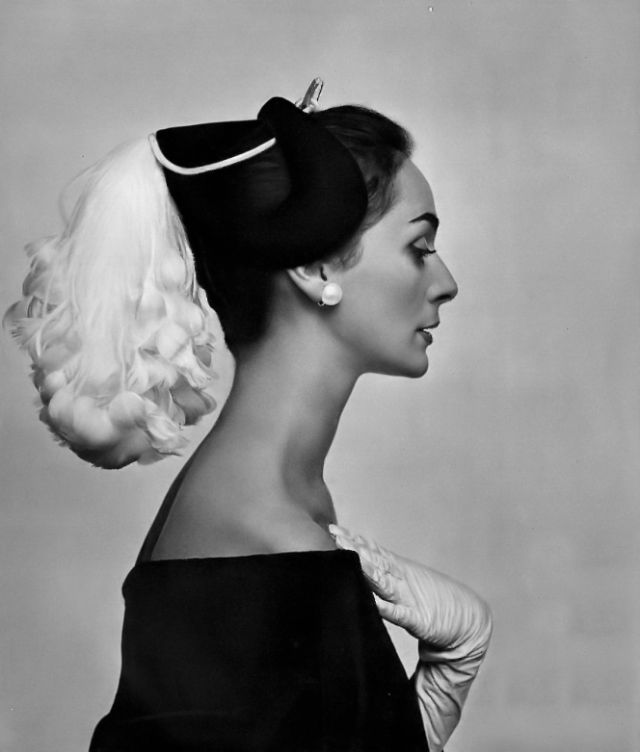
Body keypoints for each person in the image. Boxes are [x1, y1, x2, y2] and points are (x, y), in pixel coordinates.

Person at [6, 79, 492, 751]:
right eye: (420, 246)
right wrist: (453, 668)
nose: (446, 282)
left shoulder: (258, 504)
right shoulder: (272, 536)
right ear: (317, 266)